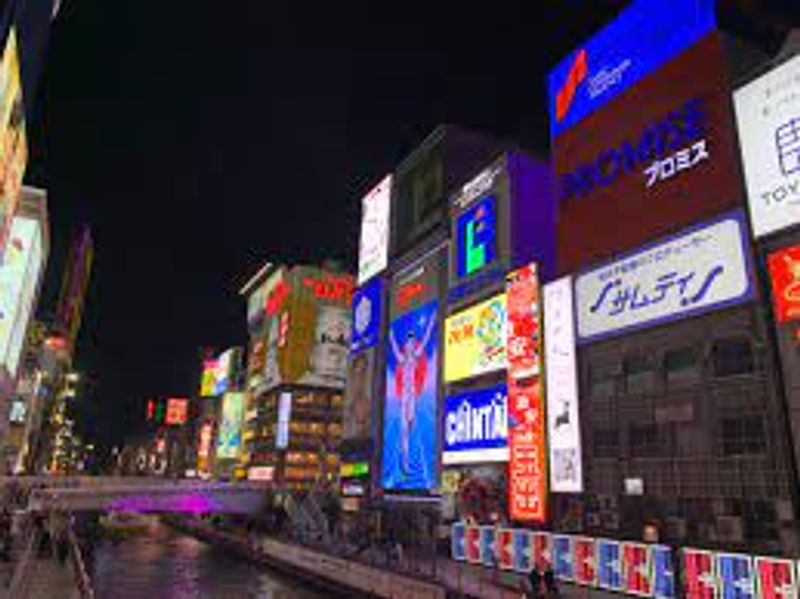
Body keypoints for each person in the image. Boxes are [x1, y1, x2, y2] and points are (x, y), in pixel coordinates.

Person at [388, 312, 436, 478]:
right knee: (404, 431)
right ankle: (405, 464)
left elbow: (427, 337)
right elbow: (393, 345)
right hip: (405, 399)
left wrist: (432, 320)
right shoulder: (402, 358)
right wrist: (390, 333)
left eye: (412, 342)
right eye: (408, 342)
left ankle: (407, 464)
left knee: (410, 427)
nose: (410, 344)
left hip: (412, 397)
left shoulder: (415, 357)